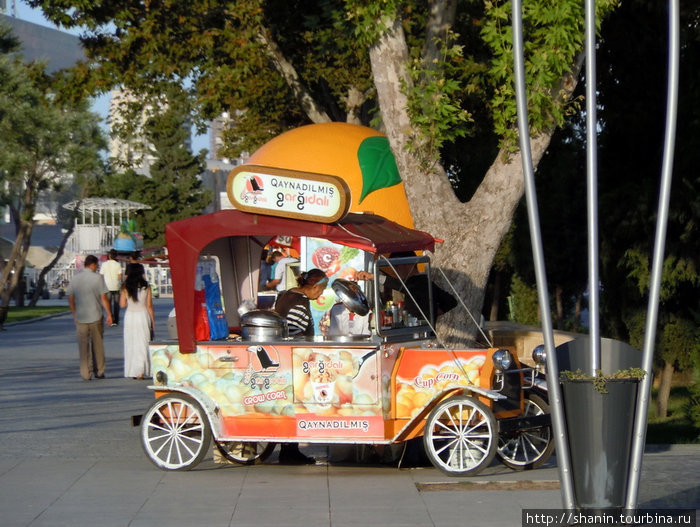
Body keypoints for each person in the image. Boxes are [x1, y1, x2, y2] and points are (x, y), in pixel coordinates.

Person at [273, 268, 328, 464]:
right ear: (314, 286)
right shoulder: (300, 303)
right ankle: (289, 451)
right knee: (294, 404)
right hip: (292, 359)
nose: (321, 294)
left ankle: (289, 449)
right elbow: (293, 331)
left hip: (283, 358)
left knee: (290, 404)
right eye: (321, 290)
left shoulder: (288, 294)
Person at [358, 252, 457, 325]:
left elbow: (401, 285)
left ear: (409, 263)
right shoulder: (422, 282)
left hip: (421, 335)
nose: (394, 270)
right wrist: (431, 314)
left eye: (397, 266)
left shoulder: (419, 282)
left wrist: (373, 276)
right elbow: (451, 301)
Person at [66, 254, 113, 380]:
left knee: (83, 346)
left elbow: (70, 297)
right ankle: (99, 370)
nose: (97, 268)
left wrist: (74, 313)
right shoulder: (98, 278)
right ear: (93, 265)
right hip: (96, 315)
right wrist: (109, 314)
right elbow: (104, 298)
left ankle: (85, 372)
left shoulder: (75, 279)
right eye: (97, 265)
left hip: (81, 316)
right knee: (97, 344)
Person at [120, 263, 155, 379]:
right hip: (143, 315)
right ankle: (141, 370)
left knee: (132, 343)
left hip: (130, 316)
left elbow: (122, 304)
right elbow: (149, 305)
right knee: (143, 342)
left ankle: (134, 370)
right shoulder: (146, 286)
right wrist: (152, 321)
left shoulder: (125, 286)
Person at [100, 249, 123, 326]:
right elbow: (120, 276)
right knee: (116, 304)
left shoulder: (104, 264)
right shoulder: (118, 264)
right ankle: (116, 320)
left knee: (108, 304)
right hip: (116, 286)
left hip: (107, 287)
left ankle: (110, 318)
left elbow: (101, 275)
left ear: (109, 256)